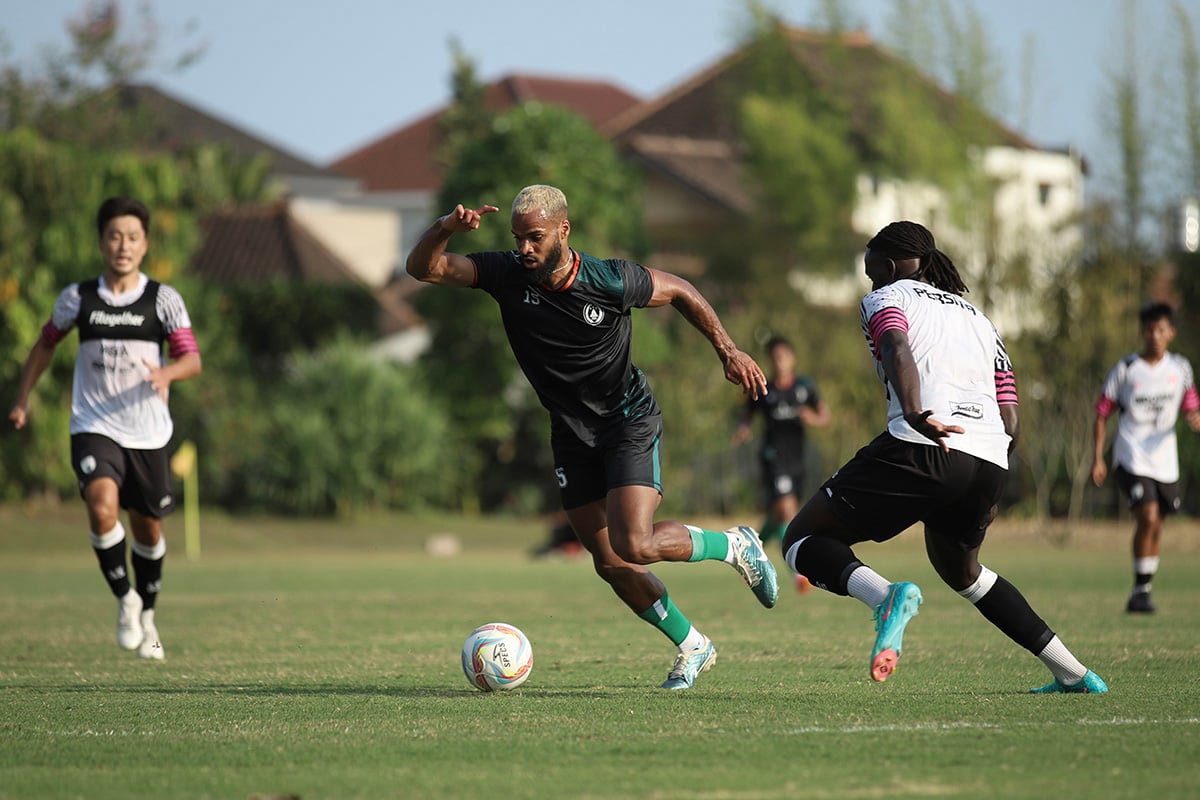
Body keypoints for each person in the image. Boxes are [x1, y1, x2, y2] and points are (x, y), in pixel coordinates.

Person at [406, 184, 778, 690]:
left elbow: (683, 292)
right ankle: (694, 645)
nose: (525, 249)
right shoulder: (506, 274)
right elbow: (424, 269)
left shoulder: (609, 278)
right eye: (518, 239)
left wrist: (728, 350)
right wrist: (446, 228)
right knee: (608, 561)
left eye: (534, 237)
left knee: (635, 542)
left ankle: (734, 544)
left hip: (627, 421)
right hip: (570, 434)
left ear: (564, 229)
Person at [781, 220, 1107, 694]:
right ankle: (1074, 672)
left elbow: (895, 344)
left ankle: (884, 598)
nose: (865, 262)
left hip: (925, 442)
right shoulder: (979, 317)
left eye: (869, 252)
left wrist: (915, 412)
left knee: (800, 539)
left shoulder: (885, 297)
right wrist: (994, 471)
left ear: (888, 263)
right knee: (963, 571)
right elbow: (1009, 409)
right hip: (988, 456)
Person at [9, 196, 202, 660]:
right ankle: (125, 599)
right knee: (101, 508)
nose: (123, 245)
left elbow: (191, 359)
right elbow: (44, 344)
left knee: (149, 531)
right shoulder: (78, 299)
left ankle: (149, 618)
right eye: (115, 235)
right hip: (94, 424)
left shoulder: (163, 300)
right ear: (101, 242)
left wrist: (165, 374)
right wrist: (22, 398)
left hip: (148, 432)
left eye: (133, 237)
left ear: (145, 244)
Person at [1091, 301, 1200, 614]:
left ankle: (1143, 589)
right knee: (1148, 515)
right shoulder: (1126, 369)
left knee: (1157, 524)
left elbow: (1191, 405)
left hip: (1165, 461)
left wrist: (1194, 419)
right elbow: (1101, 413)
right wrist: (1098, 458)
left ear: (1171, 333)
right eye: (1150, 329)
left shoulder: (1181, 369)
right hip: (1131, 456)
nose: (1155, 335)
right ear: (1142, 332)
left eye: (1161, 329)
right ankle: (1140, 590)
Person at [732, 336, 830, 591]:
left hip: (797, 459)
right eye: (775, 358)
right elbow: (747, 416)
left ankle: (750, 549)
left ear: (792, 358)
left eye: (783, 356)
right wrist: (743, 429)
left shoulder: (804, 386)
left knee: (778, 517)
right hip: (772, 457)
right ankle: (799, 574)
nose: (780, 361)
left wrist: (813, 418)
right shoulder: (764, 388)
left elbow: (824, 415)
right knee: (788, 511)